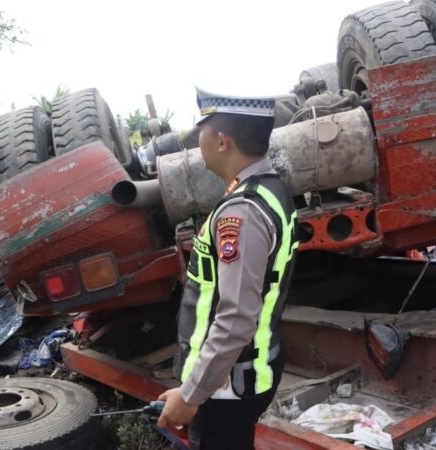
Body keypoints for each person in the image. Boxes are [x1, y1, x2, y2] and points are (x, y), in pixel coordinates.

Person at [157, 88, 299, 450]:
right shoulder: (268, 189)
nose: (197, 139)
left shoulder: (243, 212)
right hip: (236, 378)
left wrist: (191, 395)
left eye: (201, 129)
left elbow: (236, 319)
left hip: (227, 389)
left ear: (222, 141)